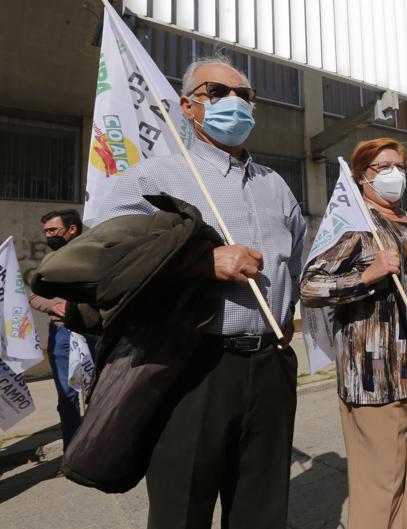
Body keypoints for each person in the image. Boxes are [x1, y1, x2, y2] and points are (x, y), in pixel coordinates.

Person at [95, 55, 306, 529]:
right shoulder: (155, 178)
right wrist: (201, 262)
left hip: (270, 362)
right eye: (217, 92)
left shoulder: (277, 186)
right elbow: (104, 259)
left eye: (244, 95)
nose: (235, 103)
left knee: (263, 505)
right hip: (193, 363)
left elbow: (295, 261)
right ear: (188, 107)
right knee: (181, 505)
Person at [302, 138, 407, 529]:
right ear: (361, 178)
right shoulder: (354, 225)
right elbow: (310, 287)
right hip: (381, 372)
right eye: (382, 167)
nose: (394, 174)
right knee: (381, 482)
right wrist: (366, 276)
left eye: (399, 166)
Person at [28, 209, 84, 449]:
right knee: (67, 395)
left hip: (92, 332)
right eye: (46, 231)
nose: (48, 236)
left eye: (53, 230)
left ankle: (101, 451)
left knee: (101, 392)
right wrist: (54, 305)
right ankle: (72, 451)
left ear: (72, 229)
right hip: (61, 334)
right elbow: (33, 297)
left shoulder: (94, 254)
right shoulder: (49, 261)